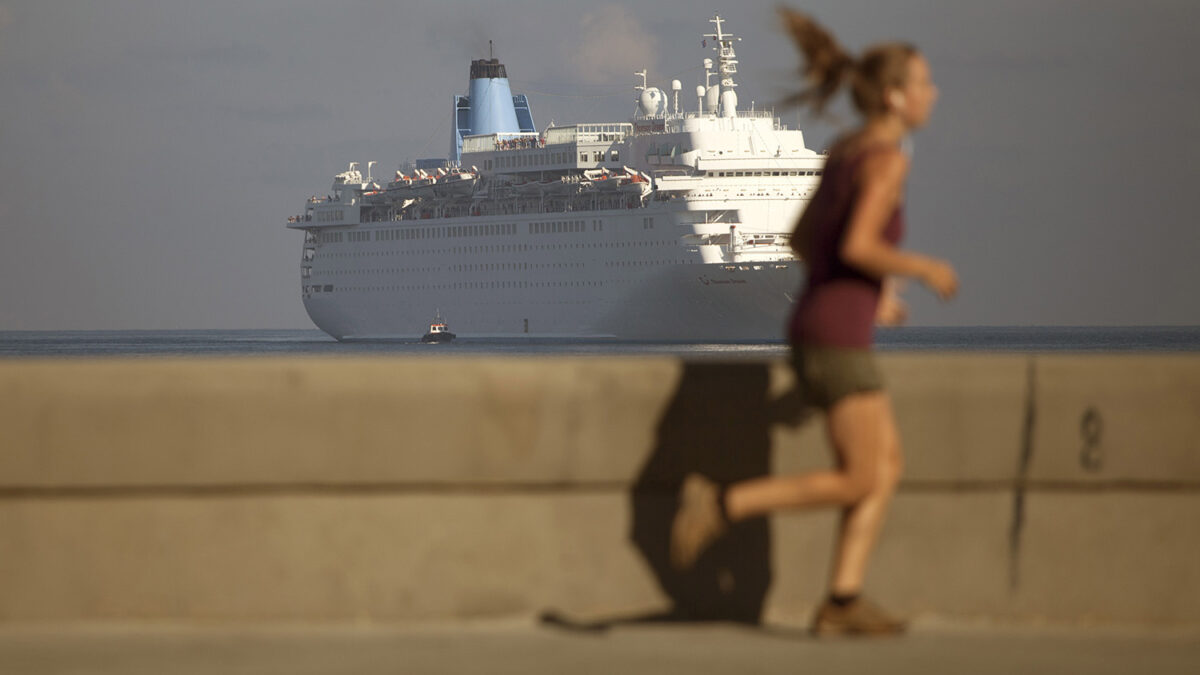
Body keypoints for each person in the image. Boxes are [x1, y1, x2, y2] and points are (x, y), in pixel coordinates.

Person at [670, 8, 958, 636]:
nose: (933, 94)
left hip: (823, 323)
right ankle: (721, 503)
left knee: (885, 470)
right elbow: (854, 246)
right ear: (894, 96)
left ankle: (843, 601)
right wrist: (921, 268)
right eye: (925, 84)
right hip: (835, 336)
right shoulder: (886, 161)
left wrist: (871, 293)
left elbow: (803, 239)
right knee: (861, 473)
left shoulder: (845, 151)